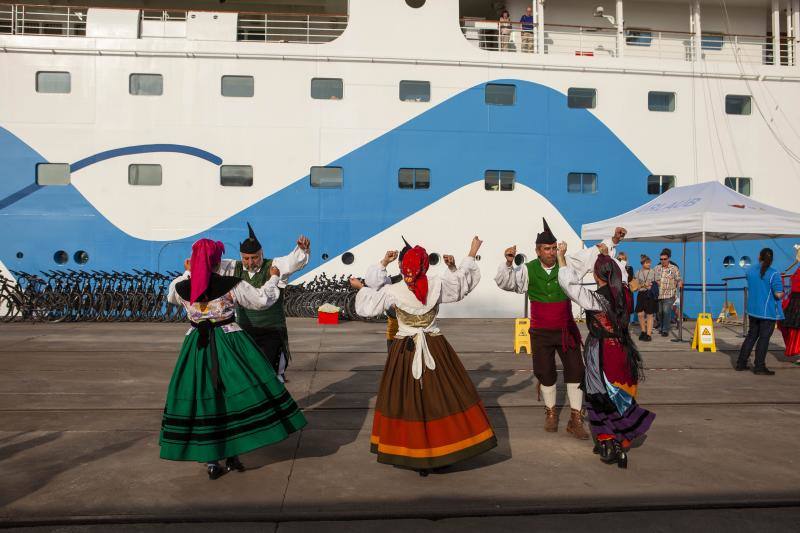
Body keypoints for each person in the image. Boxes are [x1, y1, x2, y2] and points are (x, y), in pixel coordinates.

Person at [161, 239, 307, 479]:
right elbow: (262, 300)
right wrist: (273, 278)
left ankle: (212, 460)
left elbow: (171, 298)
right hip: (230, 344)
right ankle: (233, 454)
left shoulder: (181, 286)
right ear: (217, 263)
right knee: (235, 397)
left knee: (204, 398)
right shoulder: (232, 284)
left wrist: (188, 272)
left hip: (197, 346)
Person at [353, 236, 496, 475]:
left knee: (404, 399)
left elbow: (366, 307)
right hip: (434, 345)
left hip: (404, 349)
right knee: (441, 396)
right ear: (425, 266)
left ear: (403, 268)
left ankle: (412, 451)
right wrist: (470, 253)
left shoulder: (393, 290)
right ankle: (445, 448)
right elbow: (461, 286)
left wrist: (364, 286)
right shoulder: (436, 284)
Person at [495, 218, 627, 438]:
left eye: (554, 248)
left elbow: (591, 254)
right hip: (540, 332)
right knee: (545, 372)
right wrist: (508, 263)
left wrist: (613, 240)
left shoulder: (567, 263)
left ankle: (575, 418)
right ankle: (551, 412)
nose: (551, 252)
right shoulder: (527, 270)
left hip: (566, 330)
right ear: (538, 251)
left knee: (576, 370)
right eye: (547, 249)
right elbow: (507, 283)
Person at [557, 242, 655, 469]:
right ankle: (621, 440)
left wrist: (562, 258)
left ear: (595, 274)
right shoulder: (626, 294)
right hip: (624, 350)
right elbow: (622, 279)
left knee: (599, 396)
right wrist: (606, 257)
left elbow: (570, 286)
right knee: (621, 396)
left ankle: (609, 442)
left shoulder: (596, 299)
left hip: (602, 352)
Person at [217, 223, 310, 383]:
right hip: (244, 330)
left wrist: (302, 250)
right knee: (248, 374)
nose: (250, 262)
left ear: (262, 254)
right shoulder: (233, 267)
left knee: (272, 373)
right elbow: (213, 264)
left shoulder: (273, 266)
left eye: (254, 257)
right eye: (246, 258)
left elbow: (291, 262)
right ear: (241, 256)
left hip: (271, 330)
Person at [350, 238, 413, 353]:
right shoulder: (427, 283)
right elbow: (374, 283)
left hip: (406, 338)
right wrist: (384, 262)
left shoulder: (394, 287)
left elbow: (374, 297)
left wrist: (361, 288)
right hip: (404, 337)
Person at [736, 248, 785, 375]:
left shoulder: (750, 270)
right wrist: (782, 288)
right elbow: (778, 294)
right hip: (767, 312)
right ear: (772, 259)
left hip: (753, 310)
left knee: (751, 336)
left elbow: (756, 280)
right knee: (764, 339)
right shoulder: (774, 273)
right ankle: (759, 366)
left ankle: (741, 363)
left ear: (759, 257)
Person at [653, 248, 682, 337]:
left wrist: (680, 282)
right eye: (661, 259)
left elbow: (678, 278)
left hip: (669, 294)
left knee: (666, 311)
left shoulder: (674, 268)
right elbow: (652, 278)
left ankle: (665, 330)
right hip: (659, 294)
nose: (663, 261)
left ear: (668, 258)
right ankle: (662, 327)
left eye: (664, 259)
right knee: (660, 313)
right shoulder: (656, 268)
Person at [778, 247, 800, 358]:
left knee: (796, 329)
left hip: (797, 301)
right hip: (794, 301)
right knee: (789, 327)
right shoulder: (798, 269)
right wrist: (781, 279)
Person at [635, 255, 657, 342]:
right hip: (641, 293)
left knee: (649, 314)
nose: (649, 264)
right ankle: (643, 331)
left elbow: (657, 282)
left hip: (650, 294)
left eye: (649, 263)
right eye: (647, 263)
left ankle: (648, 334)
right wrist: (644, 285)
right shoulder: (638, 272)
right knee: (640, 314)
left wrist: (652, 284)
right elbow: (636, 285)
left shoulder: (653, 272)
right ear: (642, 263)